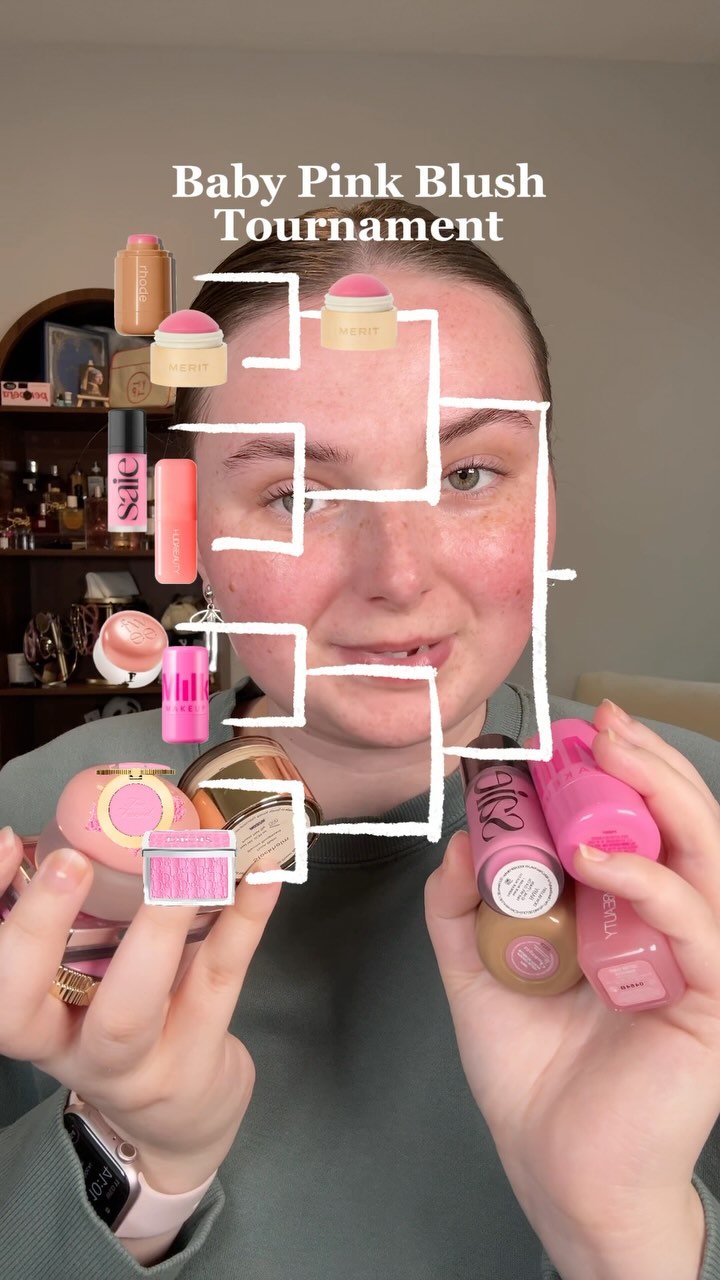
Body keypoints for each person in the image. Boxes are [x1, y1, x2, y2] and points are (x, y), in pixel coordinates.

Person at [1, 199, 720, 1280]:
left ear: (548, 502)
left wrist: (624, 1232)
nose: (398, 574)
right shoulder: (36, 830)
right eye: (296, 493)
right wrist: (135, 1171)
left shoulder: (697, 825)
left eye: (468, 475)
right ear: (190, 535)